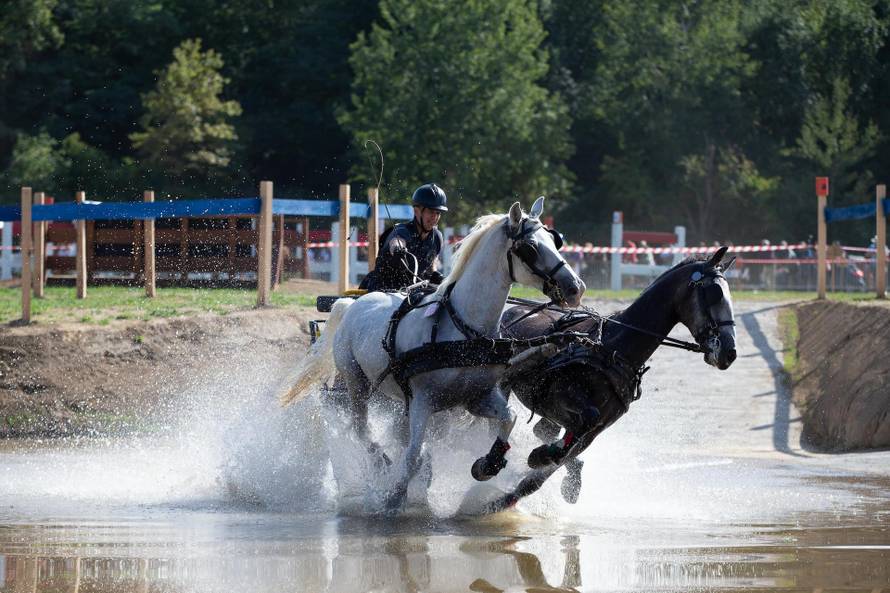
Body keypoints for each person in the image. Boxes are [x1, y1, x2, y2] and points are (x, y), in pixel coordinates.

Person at [359, 183, 448, 291]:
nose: (434, 217)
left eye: (438, 213)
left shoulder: (437, 237)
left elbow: (431, 262)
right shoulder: (403, 231)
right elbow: (396, 241)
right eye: (430, 211)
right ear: (416, 211)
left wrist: (435, 274)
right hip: (381, 289)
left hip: (411, 290)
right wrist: (397, 248)